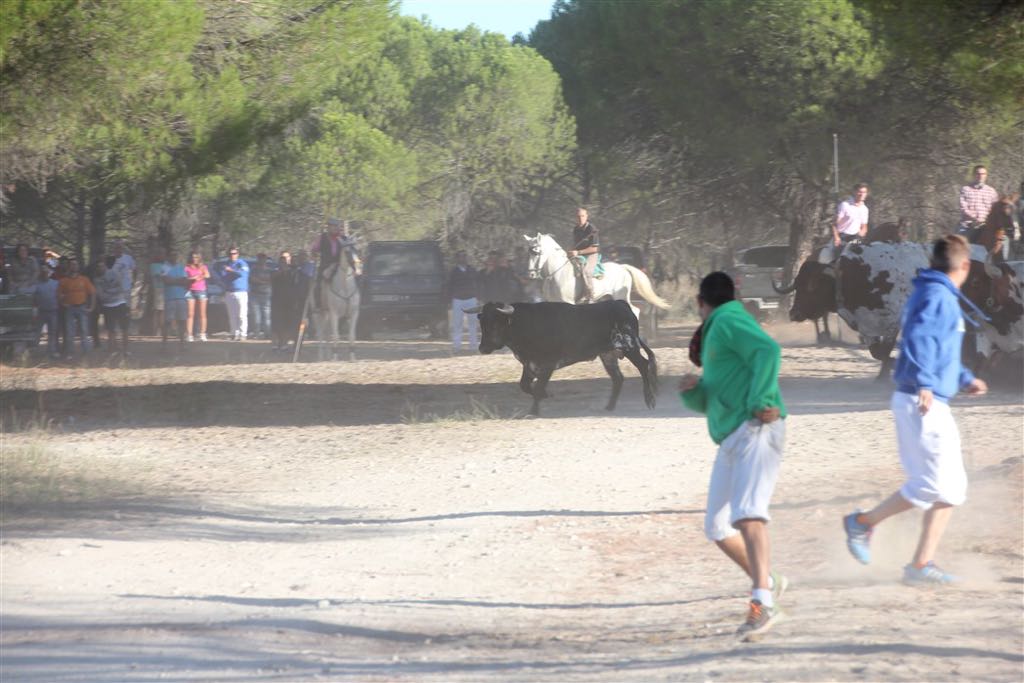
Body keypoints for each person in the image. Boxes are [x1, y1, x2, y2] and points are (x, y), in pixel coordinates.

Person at [843, 235, 988, 585]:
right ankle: (862, 524)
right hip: (919, 399)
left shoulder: (940, 294)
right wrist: (925, 380)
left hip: (934, 397)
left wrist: (964, 378)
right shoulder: (936, 294)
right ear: (964, 265)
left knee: (952, 488)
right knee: (929, 486)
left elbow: (943, 349)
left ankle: (921, 565)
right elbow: (919, 337)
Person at [679, 271, 788, 639]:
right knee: (717, 526)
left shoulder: (726, 320)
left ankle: (762, 602)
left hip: (756, 428)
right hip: (731, 436)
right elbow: (718, 392)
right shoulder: (719, 329)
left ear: (700, 303)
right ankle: (769, 579)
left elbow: (768, 351)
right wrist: (695, 391)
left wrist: (763, 400)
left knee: (748, 515)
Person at [57, 258, 96, 359]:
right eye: (72, 264)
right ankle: (70, 353)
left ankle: (86, 353)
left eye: (76, 264)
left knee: (84, 330)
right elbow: (58, 294)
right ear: (69, 266)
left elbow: (92, 293)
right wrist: (62, 303)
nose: (74, 266)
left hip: (82, 307)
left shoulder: (84, 279)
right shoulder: (64, 281)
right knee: (70, 332)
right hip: (70, 308)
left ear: (78, 267)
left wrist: (91, 306)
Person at [94, 257, 130, 355]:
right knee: (111, 329)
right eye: (98, 267)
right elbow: (101, 296)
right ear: (96, 268)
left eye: (102, 266)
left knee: (124, 328)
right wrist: (112, 290)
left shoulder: (114, 273)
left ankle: (125, 350)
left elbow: (120, 287)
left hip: (120, 302)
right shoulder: (97, 280)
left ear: (105, 266)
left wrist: (108, 291)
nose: (101, 268)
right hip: (108, 306)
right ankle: (112, 350)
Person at [217, 246, 249, 340]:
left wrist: (231, 271)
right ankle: (234, 333)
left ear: (237, 254)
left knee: (242, 315)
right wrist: (228, 273)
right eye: (230, 254)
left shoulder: (242, 263)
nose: (232, 255)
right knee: (232, 315)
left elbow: (242, 274)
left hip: (241, 292)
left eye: (234, 253)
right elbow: (223, 276)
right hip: (229, 292)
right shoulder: (226, 264)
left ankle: (243, 334)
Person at [448, 250, 479, 352]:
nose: (463, 258)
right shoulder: (453, 271)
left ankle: (473, 346)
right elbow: (450, 286)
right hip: (458, 300)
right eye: (460, 256)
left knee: (473, 323)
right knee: (457, 324)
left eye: (464, 256)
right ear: (457, 258)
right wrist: (450, 299)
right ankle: (456, 346)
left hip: (471, 298)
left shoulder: (472, 270)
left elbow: (477, 283)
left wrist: (477, 296)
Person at [568, 207, 599, 303]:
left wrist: (578, 252)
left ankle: (590, 296)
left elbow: (595, 248)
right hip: (578, 254)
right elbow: (575, 244)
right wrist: (570, 250)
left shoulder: (591, 228)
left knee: (586, 271)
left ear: (586, 216)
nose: (580, 218)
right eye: (578, 216)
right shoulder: (576, 229)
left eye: (582, 216)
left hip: (591, 254)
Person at [958, 165, 999, 234]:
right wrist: (975, 218)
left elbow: (996, 209)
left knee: (1003, 240)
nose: (980, 176)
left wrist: (986, 219)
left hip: (987, 224)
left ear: (986, 175)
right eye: (978, 174)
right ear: (974, 175)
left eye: (983, 174)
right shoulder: (966, 189)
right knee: (958, 241)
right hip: (968, 225)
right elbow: (963, 208)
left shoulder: (991, 191)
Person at [161, 249, 190, 349]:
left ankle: (182, 343)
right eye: (172, 255)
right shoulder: (164, 267)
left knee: (182, 320)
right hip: (170, 297)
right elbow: (166, 281)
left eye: (175, 255)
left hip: (181, 297)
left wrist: (174, 280)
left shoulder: (181, 267)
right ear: (168, 256)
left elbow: (185, 281)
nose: (174, 257)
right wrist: (179, 281)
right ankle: (164, 344)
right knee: (168, 321)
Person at [33, 265, 61, 359]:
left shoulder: (56, 283)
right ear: (40, 274)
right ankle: (34, 350)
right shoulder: (37, 285)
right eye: (43, 272)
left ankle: (51, 352)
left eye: (46, 272)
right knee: (37, 332)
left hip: (53, 311)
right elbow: (34, 299)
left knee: (52, 333)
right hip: (41, 312)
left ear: (49, 273)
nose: (45, 274)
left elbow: (60, 295)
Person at [832, 183, 870, 247]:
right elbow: (834, 224)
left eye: (864, 192)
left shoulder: (865, 209)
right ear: (855, 192)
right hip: (842, 237)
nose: (862, 194)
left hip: (854, 239)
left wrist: (861, 234)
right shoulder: (845, 205)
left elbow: (864, 227)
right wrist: (836, 237)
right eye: (860, 192)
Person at [185, 251, 210, 342]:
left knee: (202, 314)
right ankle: (189, 334)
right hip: (190, 291)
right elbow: (184, 278)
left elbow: (207, 275)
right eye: (193, 257)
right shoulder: (187, 267)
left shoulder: (203, 267)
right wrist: (192, 278)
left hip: (201, 291)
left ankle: (202, 334)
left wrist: (200, 277)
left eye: (196, 257)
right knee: (190, 314)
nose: (194, 259)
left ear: (199, 258)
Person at [249, 253, 273, 339]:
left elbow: (271, 280)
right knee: (256, 316)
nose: (262, 260)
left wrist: (260, 280)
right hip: (255, 295)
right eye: (260, 258)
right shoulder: (253, 270)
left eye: (264, 258)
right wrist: (264, 281)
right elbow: (252, 279)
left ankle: (268, 334)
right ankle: (256, 334)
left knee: (267, 316)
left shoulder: (269, 270)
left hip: (266, 295)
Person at [148, 247, 168, 338]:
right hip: (158, 289)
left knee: (164, 311)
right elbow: (158, 277)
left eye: (164, 254)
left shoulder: (166, 265)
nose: (162, 256)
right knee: (158, 311)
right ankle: (156, 330)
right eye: (161, 254)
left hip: (167, 289)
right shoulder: (154, 265)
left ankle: (164, 330)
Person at [109, 240, 136, 306]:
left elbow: (135, 269)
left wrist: (133, 281)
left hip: (126, 288)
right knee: (116, 308)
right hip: (114, 290)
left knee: (127, 307)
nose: (118, 249)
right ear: (113, 249)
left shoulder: (128, 258)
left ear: (122, 248)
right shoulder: (110, 259)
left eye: (120, 247)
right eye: (116, 247)